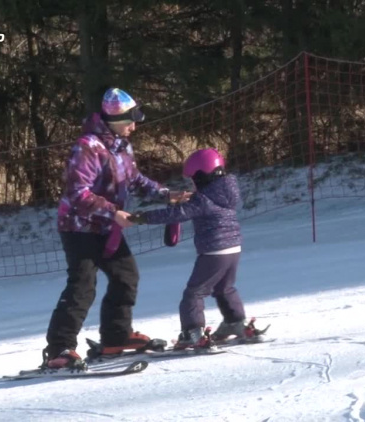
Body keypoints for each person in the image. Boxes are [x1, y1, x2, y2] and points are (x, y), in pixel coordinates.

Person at [43, 87, 189, 369]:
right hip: (79, 228)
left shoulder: (121, 145)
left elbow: (134, 180)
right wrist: (113, 212)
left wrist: (166, 194)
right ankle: (59, 348)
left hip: (107, 227)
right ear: (113, 119)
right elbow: (78, 194)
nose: (134, 126)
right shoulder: (88, 147)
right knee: (83, 286)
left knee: (126, 276)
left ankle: (116, 337)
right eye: (130, 120)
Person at [128, 148, 259, 350]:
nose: (192, 184)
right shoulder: (225, 191)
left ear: (201, 176)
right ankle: (235, 322)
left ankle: (193, 332)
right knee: (225, 288)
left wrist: (141, 217)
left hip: (214, 251)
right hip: (233, 249)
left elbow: (176, 214)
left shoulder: (203, 199)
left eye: (193, 180)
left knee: (194, 293)